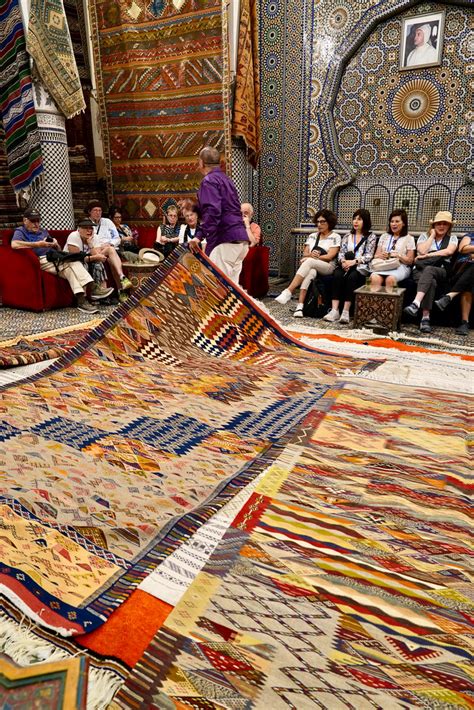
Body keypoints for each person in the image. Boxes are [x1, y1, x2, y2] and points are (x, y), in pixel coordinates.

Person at [11, 208, 100, 313]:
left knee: (70, 269)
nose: (36, 224)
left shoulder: (43, 232)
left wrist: (56, 244)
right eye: (33, 221)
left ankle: (81, 301)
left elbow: (58, 250)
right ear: (25, 220)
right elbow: (14, 244)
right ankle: (93, 288)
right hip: (40, 260)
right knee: (72, 262)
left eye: (38, 221)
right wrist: (37, 244)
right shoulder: (20, 231)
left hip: (54, 257)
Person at [188, 146, 249, 282]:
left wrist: (199, 236)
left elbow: (213, 211)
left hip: (225, 240)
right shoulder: (227, 180)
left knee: (216, 287)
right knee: (232, 291)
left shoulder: (209, 181)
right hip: (240, 241)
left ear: (201, 163)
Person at [275, 209, 340, 317]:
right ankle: (300, 307)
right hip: (313, 265)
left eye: (322, 222)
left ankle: (289, 291)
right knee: (311, 272)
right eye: (318, 222)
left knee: (309, 262)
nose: (319, 224)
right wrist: (310, 255)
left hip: (328, 267)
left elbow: (330, 256)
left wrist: (314, 257)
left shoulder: (335, 237)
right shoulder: (312, 236)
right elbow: (305, 253)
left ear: (329, 222)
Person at [404, 211, 458, 333]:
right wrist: (432, 236)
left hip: (441, 270)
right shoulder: (424, 236)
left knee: (430, 270)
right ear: (433, 225)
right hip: (420, 270)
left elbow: (448, 252)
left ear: (449, 226)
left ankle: (416, 303)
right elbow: (422, 250)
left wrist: (427, 256)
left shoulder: (452, 238)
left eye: (445, 224)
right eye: (438, 223)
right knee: (431, 282)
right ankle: (425, 318)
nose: (441, 226)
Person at [324, 208, 377, 323]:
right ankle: (334, 311)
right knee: (337, 275)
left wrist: (354, 262)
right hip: (345, 265)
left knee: (352, 277)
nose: (355, 222)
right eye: (354, 219)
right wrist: (343, 262)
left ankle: (346, 311)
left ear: (366, 221)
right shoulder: (348, 236)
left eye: (359, 219)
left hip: (360, 266)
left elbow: (369, 255)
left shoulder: (371, 236)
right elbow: (341, 252)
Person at [86, 201, 133, 299]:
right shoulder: (86, 224)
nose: (98, 213)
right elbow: (87, 241)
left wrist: (110, 243)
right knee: (110, 251)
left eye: (100, 210)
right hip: (95, 252)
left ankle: (120, 289)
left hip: (111, 250)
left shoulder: (107, 222)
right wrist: (101, 246)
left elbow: (117, 238)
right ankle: (122, 280)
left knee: (111, 258)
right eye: (95, 210)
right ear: (89, 212)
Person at [65, 218, 115, 301]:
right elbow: (76, 258)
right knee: (83, 264)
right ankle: (84, 299)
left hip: (87, 259)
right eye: (86, 228)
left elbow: (97, 256)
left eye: (91, 228)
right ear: (79, 229)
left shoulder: (94, 237)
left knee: (98, 264)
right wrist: (95, 257)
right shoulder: (74, 236)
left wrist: (90, 244)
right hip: (72, 262)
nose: (89, 230)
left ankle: (102, 295)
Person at [434, 232, 474, 336]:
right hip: (462, 269)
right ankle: (465, 322)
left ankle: (449, 296)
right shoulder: (470, 236)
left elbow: (467, 248)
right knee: (471, 275)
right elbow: (463, 248)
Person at [369, 209, 415, 288]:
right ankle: (375, 300)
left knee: (390, 279)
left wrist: (398, 256)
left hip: (400, 266)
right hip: (383, 265)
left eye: (397, 221)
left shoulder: (409, 238)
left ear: (403, 223)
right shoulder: (384, 236)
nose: (394, 224)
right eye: (392, 221)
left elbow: (410, 261)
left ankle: (389, 301)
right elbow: (376, 256)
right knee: (374, 278)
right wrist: (381, 255)